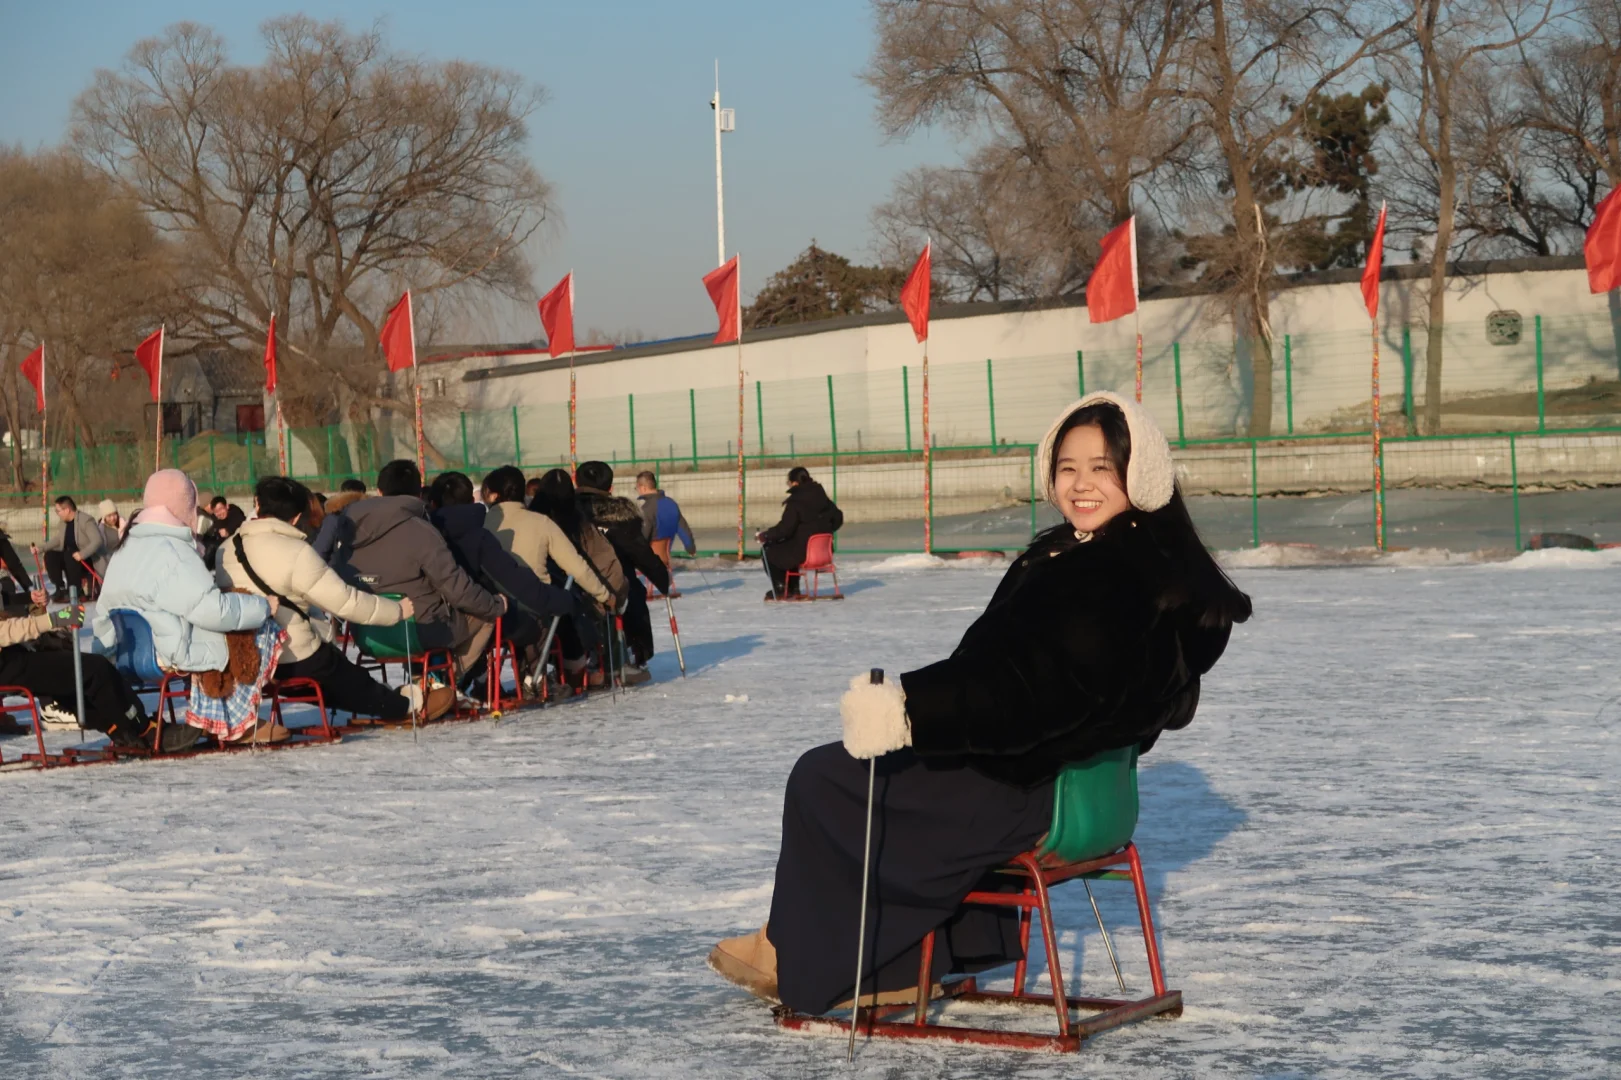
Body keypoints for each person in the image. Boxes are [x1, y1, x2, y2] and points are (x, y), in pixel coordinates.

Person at [707, 392, 1253, 1014]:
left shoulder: (1104, 575)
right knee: (845, 772)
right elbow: (1005, 676)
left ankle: (796, 950)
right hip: (1076, 784)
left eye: (1103, 467)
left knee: (824, 776)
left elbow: (1028, 698)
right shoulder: (1114, 556)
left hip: (1030, 786)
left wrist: (910, 712)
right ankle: (911, 960)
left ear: (1142, 473)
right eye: (1068, 467)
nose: (1081, 484)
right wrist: (922, 699)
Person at [216, 476, 456, 724]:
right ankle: (403, 706)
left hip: (247, 654)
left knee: (335, 674)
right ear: (297, 517)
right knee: (345, 676)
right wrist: (396, 610)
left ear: (257, 505)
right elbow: (345, 601)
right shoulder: (296, 552)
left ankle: (390, 701)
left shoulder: (226, 549)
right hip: (292, 655)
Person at [90, 470, 283, 744]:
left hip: (128, 654)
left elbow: (104, 610)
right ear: (184, 506)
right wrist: (261, 606)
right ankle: (239, 723)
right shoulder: (172, 551)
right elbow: (212, 610)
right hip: (170, 651)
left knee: (218, 628)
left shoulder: (126, 548)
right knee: (257, 630)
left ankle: (214, 718)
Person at [339, 459, 506, 679]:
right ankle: (439, 682)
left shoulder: (348, 530)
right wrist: (495, 604)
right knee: (486, 613)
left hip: (368, 634)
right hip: (419, 630)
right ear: (419, 494)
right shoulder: (421, 531)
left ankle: (427, 682)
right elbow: (457, 588)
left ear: (379, 491)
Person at [427, 471, 578, 681]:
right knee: (532, 623)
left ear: (432, 504)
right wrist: (560, 599)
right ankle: (531, 678)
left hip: (425, 621)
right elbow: (515, 582)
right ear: (472, 501)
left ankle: (475, 679)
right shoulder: (479, 537)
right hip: (476, 618)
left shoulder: (421, 536)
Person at [575, 461, 671, 681]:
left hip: (574, 585)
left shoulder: (565, 513)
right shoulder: (620, 515)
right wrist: (660, 576)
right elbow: (640, 553)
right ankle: (633, 651)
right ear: (610, 488)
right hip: (616, 586)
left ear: (576, 482)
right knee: (632, 592)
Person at [481, 466, 614, 611]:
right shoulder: (541, 522)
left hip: (491, 611)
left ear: (492, 495)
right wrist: (604, 596)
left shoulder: (480, 524)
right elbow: (577, 567)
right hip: (536, 609)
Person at [530, 469, 616, 689]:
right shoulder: (575, 521)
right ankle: (582, 665)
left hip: (529, 588)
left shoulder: (531, 518)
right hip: (565, 589)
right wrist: (605, 593)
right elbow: (583, 565)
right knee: (580, 611)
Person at [757, 467, 843, 601]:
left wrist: (766, 535)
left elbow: (785, 529)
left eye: (789, 482)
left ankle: (781, 588)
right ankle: (793, 588)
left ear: (795, 483)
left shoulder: (796, 502)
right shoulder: (823, 498)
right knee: (788, 546)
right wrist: (826, 529)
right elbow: (838, 518)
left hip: (803, 552)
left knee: (768, 549)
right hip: (824, 551)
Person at [635, 471, 695, 584]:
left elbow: (643, 537)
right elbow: (683, 529)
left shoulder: (647, 509)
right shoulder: (672, 503)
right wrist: (690, 547)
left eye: (636, 487)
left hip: (650, 559)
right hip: (665, 556)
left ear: (642, 487)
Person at [41, 496, 103, 601]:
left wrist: (82, 554)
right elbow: (59, 539)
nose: (57, 514)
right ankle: (60, 588)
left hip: (87, 558)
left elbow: (97, 540)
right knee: (51, 555)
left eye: (58, 511)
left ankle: (76, 589)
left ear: (67, 510)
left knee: (70, 554)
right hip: (69, 557)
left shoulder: (86, 520)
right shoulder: (63, 523)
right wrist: (42, 548)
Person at [312, 478, 367, 561]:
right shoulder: (373, 514)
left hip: (342, 569)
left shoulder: (334, 518)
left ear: (341, 494)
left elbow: (320, 550)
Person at [199, 495, 247, 570]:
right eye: (216, 511)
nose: (219, 513)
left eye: (221, 509)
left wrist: (228, 532)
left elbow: (239, 524)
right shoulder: (213, 520)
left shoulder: (235, 513)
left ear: (227, 506)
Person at [95, 499, 124, 574]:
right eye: (109, 516)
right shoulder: (101, 529)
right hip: (108, 561)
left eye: (114, 514)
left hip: (122, 559)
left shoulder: (123, 525)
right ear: (104, 517)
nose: (113, 518)